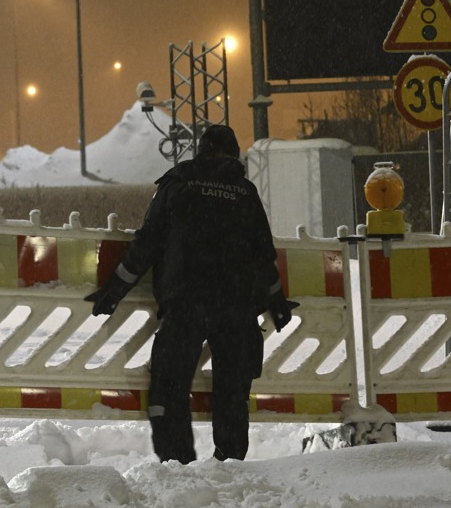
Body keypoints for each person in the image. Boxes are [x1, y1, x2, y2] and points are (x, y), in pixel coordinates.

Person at [84, 124, 298, 464]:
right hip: (236, 307)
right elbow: (263, 255)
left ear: (200, 151)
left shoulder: (177, 184)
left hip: (186, 302)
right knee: (232, 391)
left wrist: (114, 290)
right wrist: (276, 301)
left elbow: (146, 244)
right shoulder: (245, 192)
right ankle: (229, 464)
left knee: (168, 386)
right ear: (234, 154)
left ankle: (175, 464)